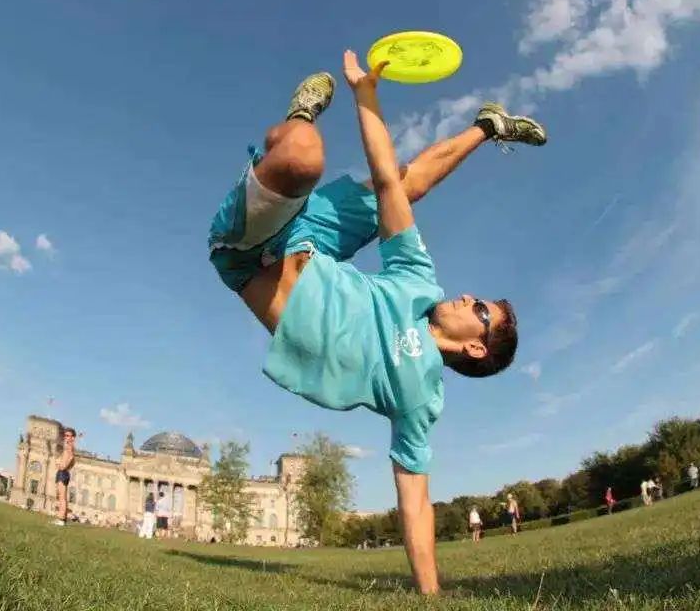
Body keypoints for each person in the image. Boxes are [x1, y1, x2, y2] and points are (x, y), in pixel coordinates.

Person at [207, 53, 545, 594]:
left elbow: (414, 499)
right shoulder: (420, 282)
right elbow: (390, 182)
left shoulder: (419, 395)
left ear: (477, 349)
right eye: (480, 297)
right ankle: (488, 126)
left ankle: (299, 116)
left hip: (251, 256)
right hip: (316, 239)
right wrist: (366, 93)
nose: (467, 296)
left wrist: (430, 594)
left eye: (481, 311)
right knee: (406, 185)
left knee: (300, 155)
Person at [53, 426, 76, 527]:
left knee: (62, 497)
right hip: (62, 472)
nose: (66, 437)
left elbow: (71, 458)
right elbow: (72, 460)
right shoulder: (68, 445)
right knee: (61, 496)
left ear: (72, 437)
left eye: (68, 435)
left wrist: (64, 467)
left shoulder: (69, 446)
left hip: (63, 473)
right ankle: (61, 518)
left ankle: (61, 519)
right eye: (65, 435)